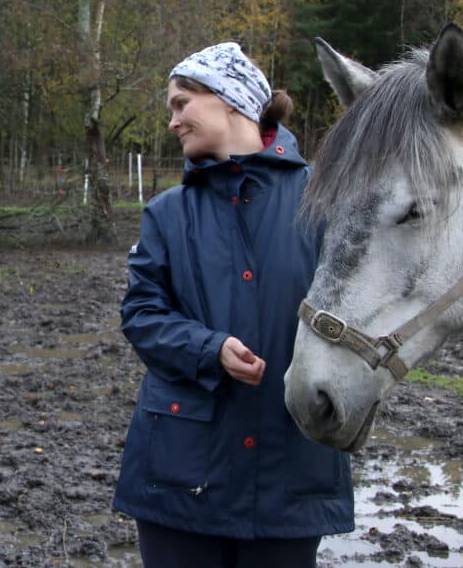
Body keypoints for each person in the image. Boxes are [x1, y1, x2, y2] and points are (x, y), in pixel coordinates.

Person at [113, 42, 354, 567]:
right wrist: (210, 348)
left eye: (182, 104)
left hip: (290, 471)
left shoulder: (325, 201)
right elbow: (141, 314)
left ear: (230, 101)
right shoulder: (167, 214)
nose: (173, 121)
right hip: (183, 475)